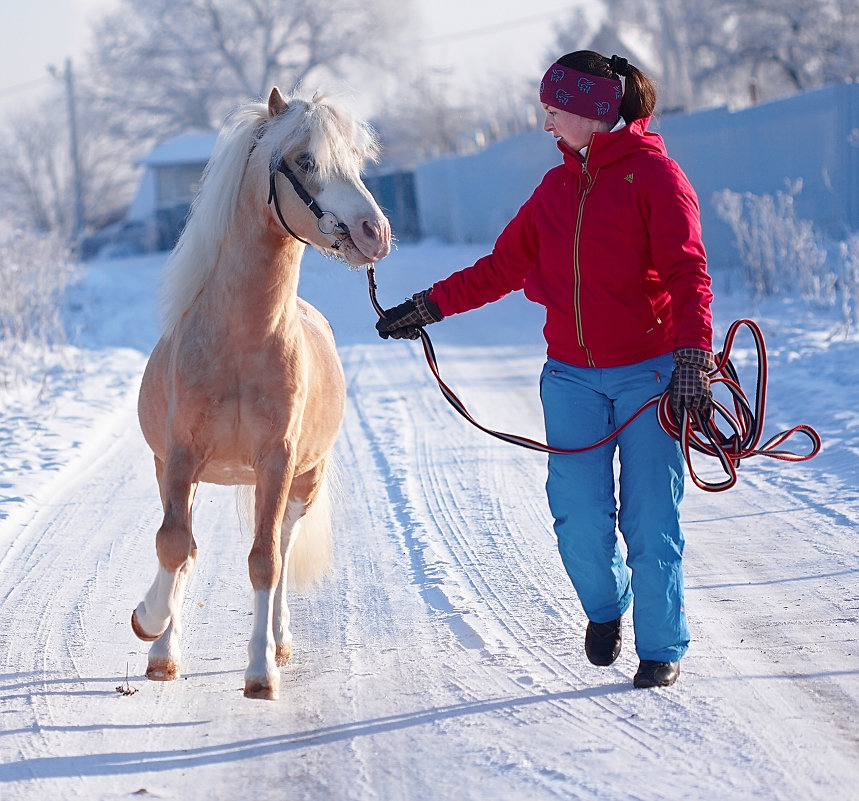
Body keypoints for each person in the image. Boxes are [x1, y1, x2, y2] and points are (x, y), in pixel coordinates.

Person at [375, 50, 714, 689]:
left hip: (649, 377)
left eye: (556, 110)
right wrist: (428, 306)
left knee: (650, 517)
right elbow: (501, 268)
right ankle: (607, 604)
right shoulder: (555, 189)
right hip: (571, 378)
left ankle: (662, 647)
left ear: (594, 111)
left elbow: (688, 273)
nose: (548, 123)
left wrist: (693, 354)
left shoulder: (657, 179)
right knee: (577, 515)